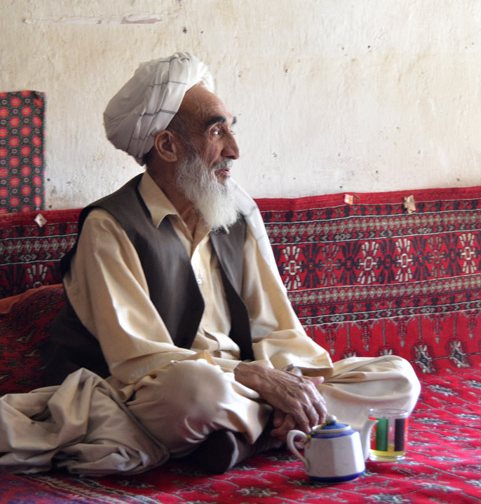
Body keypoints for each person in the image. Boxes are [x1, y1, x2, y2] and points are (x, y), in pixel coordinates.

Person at [44, 52, 420, 474]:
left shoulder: (236, 210)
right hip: (164, 390)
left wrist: (290, 382)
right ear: (167, 146)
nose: (234, 150)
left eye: (230, 129)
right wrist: (253, 377)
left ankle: (247, 435)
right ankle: (277, 428)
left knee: (398, 379)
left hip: (241, 387)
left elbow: (275, 326)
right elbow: (137, 360)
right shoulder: (110, 225)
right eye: (216, 131)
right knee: (195, 393)